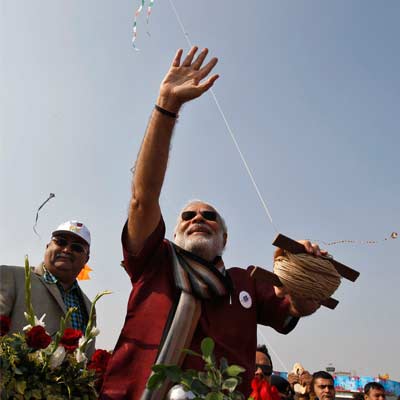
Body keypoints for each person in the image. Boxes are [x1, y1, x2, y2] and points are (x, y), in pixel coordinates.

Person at [100, 46, 326, 400]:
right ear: (172, 234)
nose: (198, 219)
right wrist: (166, 105)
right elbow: (142, 197)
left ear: (225, 239)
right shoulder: (154, 263)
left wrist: (306, 277)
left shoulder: (245, 281)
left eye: (210, 217)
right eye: (188, 215)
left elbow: (298, 307)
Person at [0, 220, 95, 355]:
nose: (67, 250)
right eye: (61, 242)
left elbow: (87, 357)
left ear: (86, 259)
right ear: (48, 246)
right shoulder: (11, 277)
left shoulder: (89, 307)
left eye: (77, 248)